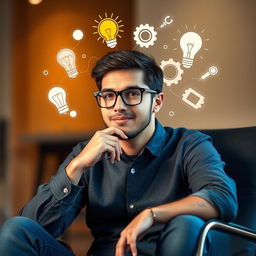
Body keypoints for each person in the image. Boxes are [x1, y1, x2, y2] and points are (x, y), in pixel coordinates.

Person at [0, 50, 237, 256]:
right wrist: (76, 167)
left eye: (132, 93)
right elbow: (32, 230)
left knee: (188, 223)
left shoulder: (188, 144)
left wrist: (152, 215)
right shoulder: (87, 153)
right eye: (108, 95)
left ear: (157, 102)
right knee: (15, 229)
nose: (118, 106)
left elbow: (222, 197)